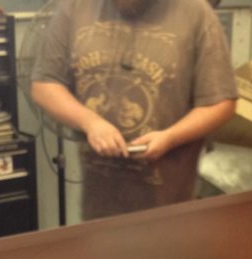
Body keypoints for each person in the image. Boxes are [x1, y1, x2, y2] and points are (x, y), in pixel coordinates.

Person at [30, 0, 237, 220]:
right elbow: (44, 85)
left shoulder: (196, 13)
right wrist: (90, 122)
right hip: (100, 201)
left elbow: (221, 102)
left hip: (169, 204)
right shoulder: (75, 7)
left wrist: (171, 137)